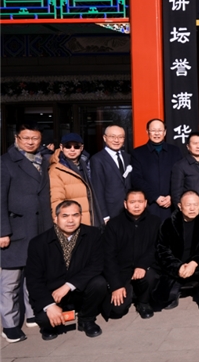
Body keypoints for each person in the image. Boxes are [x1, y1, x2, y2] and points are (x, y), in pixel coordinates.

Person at [1, 123, 53, 343]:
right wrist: (2, 231)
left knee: (34, 275)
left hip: (39, 227)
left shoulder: (43, 160)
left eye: (35, 138)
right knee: (10, 281)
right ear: (17, 138)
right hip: (16, 229)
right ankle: (10, 325)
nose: (31, 142)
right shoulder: (5, 162)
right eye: (26, 138)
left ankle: (32, 314)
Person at [26, 200, 107, 340]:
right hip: (52, 294)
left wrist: (68, 285)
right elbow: (34, 279)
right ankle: (51, 323)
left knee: (99, 283)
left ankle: (86, 319)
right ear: (55, 218)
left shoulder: (93, 234)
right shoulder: (38, 243)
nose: (70, 220)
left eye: (75, 215)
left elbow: (97, 265)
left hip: (78, 288)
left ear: (81, 216)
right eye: (65, 216)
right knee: (45, 319)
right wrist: (49, 305)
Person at [154, 191, 199, 316]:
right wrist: (178, 267)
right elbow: (162, 250)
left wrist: (194, 263)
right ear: (180, 206)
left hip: (196, 265)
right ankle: (175, 292)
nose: (192, 208)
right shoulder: (168, 224)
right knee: (163, 297)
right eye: (188, 205)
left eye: (195, 204)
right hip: (176, 267)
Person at [103, 190, 159, 320]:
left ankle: (143, 302)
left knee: (151, 276)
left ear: (145, 203)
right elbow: (108, 256)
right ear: (125, 204)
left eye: (140, 202)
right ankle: (131, 293)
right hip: (122, 271)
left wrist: (142, 265)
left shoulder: (155, 221)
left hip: (144, 269)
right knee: (117, 311)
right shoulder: (114, 224)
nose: (137, 205)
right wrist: (116, 285)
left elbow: (156, 247)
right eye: (132, 202)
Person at [131, 119, 183, 220]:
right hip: (149, 205)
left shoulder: (175, 151)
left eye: (160, 130)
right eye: (153, 130)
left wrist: (172, 196)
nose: (157, 133)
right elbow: (136, 179)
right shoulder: (138, 153)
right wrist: (155, 197)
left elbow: (180, 177)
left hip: (172, 204)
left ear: (165, 132)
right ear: (147, 131)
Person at [49, 133, 101, 228]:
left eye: (76, 146)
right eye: (68, 146)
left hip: (90, 220)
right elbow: (56, 200)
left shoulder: (87, 165)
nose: (72, 149)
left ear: (81, 148)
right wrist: (61, 221)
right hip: (71, 223)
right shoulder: (56, 170)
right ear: (61, 147)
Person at [90, 125, 131, 223]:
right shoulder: (97, 159)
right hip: (110, 211)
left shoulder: (127, 157)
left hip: (128, 210)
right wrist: (104, 215)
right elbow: (98, 189)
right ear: (105, 138)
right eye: (112, 136)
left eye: (120, 137)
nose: (116, 140)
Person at [171, 132, 199, 220]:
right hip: (190, 212)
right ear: (188, 146)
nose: (198, 146)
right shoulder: (180, 165)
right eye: (194, 143)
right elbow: (176, 193)